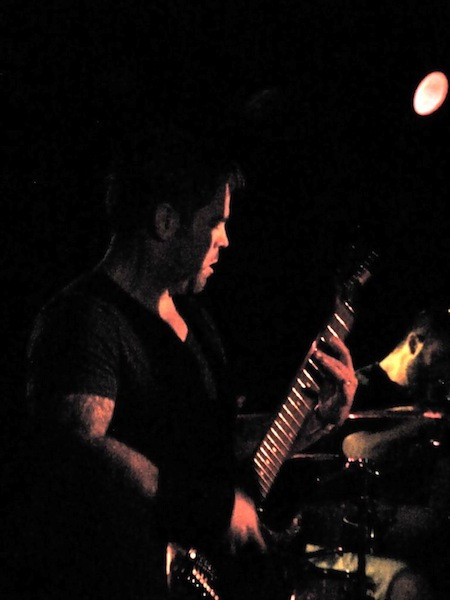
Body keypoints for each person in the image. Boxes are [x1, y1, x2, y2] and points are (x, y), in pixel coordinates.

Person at [4, 126, 359, 600]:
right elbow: (81, 450)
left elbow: (213, 445)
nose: (225, 240)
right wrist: (211, 510)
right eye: (215, 221)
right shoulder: (83, 319)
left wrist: (313, 421)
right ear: (166, 221)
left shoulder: (195, 318)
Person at [341, 304, 450, 600]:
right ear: (414, 343)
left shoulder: (431, 400)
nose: (443, 373)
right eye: (440, 359)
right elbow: (354, 448)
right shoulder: (361, 387)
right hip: (359, 527)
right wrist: (421, 424)